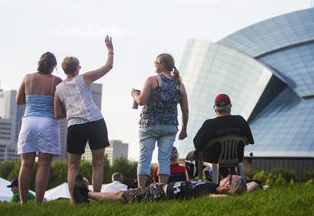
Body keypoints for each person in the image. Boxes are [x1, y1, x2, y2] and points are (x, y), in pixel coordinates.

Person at [55, 36, 114, 201]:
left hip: (75, 125)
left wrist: (72, 110)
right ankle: (97, 197)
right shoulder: (84, 78)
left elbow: (58, 114)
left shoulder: (58, 89)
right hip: (95, 121)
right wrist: (110, 49)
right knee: (98, 163)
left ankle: (74, 200)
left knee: (73, 165)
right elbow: (108, 66)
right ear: (76, 68)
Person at [131, 53, 189, 187]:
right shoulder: (179, 84)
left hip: (149, 125)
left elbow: (141, 101)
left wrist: (134, 94)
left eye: (156, 62)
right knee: (164, 160)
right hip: (169, 127)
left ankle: (141, 190)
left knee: (144, 159)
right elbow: (185, 109)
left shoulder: (152, 80)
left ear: (162, 65)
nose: (155, 65)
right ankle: (162, 189)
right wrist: (184, 129)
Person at [16, 52, 62, 204]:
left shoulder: (27, 78)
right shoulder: (57, 81)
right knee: (43, 165)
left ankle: (23, 202)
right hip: (48, 123)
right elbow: (60, 105)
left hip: (29, 122)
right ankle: (38, 203)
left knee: (26, 164)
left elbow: (19, 100)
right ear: (54, 66)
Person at [73, 174, 260, 204]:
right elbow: (253, 184)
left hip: (157, 194)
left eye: (228, 178)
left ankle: (86, 193)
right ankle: (86, 192)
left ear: (228, 187)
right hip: (160, 187)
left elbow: (230, 198)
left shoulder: (210, 194)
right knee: (123, 194)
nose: (224, 177)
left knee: (122, 195)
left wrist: (237, 195)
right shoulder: (212, 185)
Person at [192, 94, 254, 178]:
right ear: (230, 106)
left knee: (191, 156)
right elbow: (249, 140)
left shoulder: (209, 124)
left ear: (215, 107)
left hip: (214, 159)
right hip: (237, 158)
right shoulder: (240, 120)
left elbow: (197, 146)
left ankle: (194, 183)